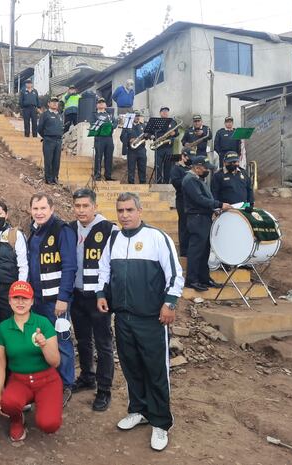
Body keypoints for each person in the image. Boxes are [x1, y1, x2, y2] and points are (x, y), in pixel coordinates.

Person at [96, 192, 184, 452]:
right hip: (122, 318)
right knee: (131, 366)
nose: (124, 215)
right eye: (120, 210)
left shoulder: (157, 237)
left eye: (129, 210)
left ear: (140, 211)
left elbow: (175, 274)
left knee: (155, 370)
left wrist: (170, 303)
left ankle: (161, 421)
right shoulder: (113, 238)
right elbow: (104, 269)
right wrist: (101, 293)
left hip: (151, 319)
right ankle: (139, 410)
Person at [0, 281, 62, 440]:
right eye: (16, 298)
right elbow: (1, 363)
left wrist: (44, 345)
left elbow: (55, 362)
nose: (20, 302)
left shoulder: (43, 322)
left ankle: (44, 405)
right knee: (7, 402)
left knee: (49, 424)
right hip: (19, 381)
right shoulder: (3, 327)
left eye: (24, 298)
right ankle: (17, 419)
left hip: (47, 380)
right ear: (9, 300)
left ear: (32, 301)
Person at [69, 189, 116, 411]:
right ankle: (87, 376)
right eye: (77, 206)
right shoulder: (70, 228)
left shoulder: (108, 229)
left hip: (98, 298)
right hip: (77, 295)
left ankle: (104, 389)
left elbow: (113, 265)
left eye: (85, 206)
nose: (81, 210)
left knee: (103, 343)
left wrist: (105, 293)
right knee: (82, 339)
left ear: (95, 206)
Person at [27, 193, 76, 405]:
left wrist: (63, 297)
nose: (39, 213)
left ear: (52, 209)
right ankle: (48, 380)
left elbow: (70, 266)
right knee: (42, 340)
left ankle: (66, 384)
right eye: (35, 209)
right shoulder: (34, 230)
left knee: (62, 341)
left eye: (43, 208)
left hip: (56, 300)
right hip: (37, 299)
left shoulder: (61, 230)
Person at [182, 156, 231, 292]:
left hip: (204, 217)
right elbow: (199, 199)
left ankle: (204, 278)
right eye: (205, 168)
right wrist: (219, 204)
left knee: (204, 251)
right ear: (197, 167)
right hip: (197, 218)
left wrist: (214, 209)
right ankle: (192, 280)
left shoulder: (198, 179)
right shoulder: (190, 180)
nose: (207, 171)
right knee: (196, 251)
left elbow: (205, 198)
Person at [0, 200, 28, 327]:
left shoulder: (16, 235)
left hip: (9, 290)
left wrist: (20, 291)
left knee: (8, 326)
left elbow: (23, 265)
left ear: (6, 215)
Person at [170, 149, 194, 257]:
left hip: (192, 200)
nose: (191, 160)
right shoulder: (176, 168)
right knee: (184, 226)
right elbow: (176, 183)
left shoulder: (191, 168)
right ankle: (184, 252)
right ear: (183, 157)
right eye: (189, 157)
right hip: (182, 200)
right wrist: (189, 178)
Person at [37, 96, 64, 185]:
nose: (55, 103)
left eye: (56, 102)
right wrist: (46, 136)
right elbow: (40, 128)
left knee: (56, 161)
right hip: (49, 140)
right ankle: (48, 179)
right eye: (53, 102)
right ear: (48, 104)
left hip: (58, 141)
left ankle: (55, 178)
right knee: (48, 160)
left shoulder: (60, 115)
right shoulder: (45, 114)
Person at [89, 97, 117, 181]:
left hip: (109, 138)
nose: (101, 103)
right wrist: (105, 125)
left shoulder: (109, 114)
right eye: (99, 102)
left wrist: (111, 126)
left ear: (105, 105)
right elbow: (92, 124)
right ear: (97, 105)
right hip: (99, 138)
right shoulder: (94, 114)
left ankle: (108, 175)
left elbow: (115, 123)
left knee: (109, 157)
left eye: (103, 102)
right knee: (98, 156)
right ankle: (97, 175)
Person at [152, 106, 178, 184]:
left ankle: (166, 184)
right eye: (163, 111)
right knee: (158, 167)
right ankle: (158, 183)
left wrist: (174, 133)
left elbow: (177, 133)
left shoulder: (173, 122)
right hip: (159, 148)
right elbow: (150, 133)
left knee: (168, 167)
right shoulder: (156, 122)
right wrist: (153, 137)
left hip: (169, 148)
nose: (165, 112)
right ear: (160, 113)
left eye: (166, 111)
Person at [125, 111, 148, 184]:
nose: (137, 117)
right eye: (135, 116)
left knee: (142, 168)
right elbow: (122, 137)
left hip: (142, 150)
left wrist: (148, 136)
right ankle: (131, 184)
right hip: (131, 151)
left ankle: (142, 184)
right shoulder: (127, 126)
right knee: (131, 169)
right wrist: (129, 140)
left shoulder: (143, 125)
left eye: (138, 116)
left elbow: (147, 136)